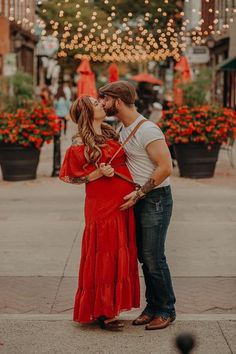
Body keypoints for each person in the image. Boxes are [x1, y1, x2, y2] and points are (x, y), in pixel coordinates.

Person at [99, 81, 176, 330]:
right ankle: (152, 307)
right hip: (139, 199)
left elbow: (165, 168)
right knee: (144, 257)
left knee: (154, 258)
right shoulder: (123, 127)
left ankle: (166, 309)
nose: (102, 104)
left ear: (117, 101)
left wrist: (140, 192)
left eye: (105, 99)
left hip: (154, 199)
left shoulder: (148, 130)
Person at [59, 96, 140, 331]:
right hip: (101, 205)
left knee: (119, 250)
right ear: (87, 113)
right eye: (95, 104)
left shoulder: (112, 133)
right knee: (104, 251)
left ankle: (113, 305)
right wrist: (96, 174)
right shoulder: (79, 142)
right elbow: (70, 176)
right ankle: (104, 311)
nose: (101, 105)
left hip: (122, 203)